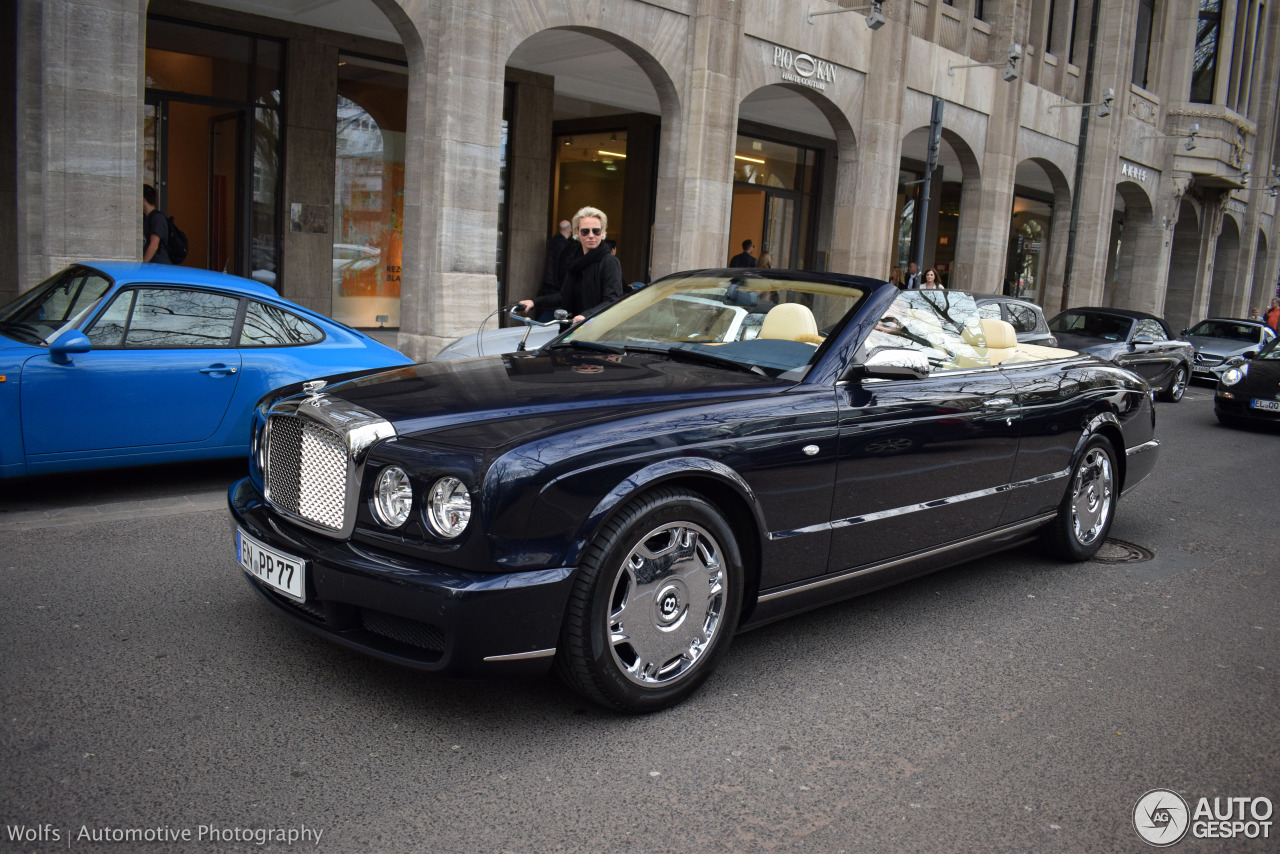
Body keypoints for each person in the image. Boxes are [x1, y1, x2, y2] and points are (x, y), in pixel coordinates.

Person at [518, 206, 623, 323]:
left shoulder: (609, 262)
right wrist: (534, 302)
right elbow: (565, 295)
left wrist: (586, 316)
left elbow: (612, 301)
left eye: (596, 231)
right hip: (571, 328)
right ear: (577, 232)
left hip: (596, 331)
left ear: (602, 232)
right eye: (585, 231)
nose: (591, 235)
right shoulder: (575, 261)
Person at [540, 220, 573, 297]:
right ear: (570, 229)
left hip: (550, 281)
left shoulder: (554, 241)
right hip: (557, 284)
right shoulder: (565, 246)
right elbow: (563, 268)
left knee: (550, 305)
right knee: (554, 306)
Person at [142, 184, 172, 264]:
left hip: (159, 266)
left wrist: (142, 265)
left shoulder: (157, 218)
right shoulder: (146, 218)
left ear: (143, 200)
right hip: (154, 265)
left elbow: (154, 245)